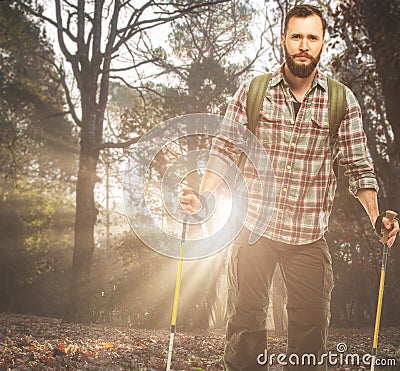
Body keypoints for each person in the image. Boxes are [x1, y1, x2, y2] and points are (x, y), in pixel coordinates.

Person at [179, 4, 399, 370]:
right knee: (246, 322)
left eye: (312, 37)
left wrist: (377, 218)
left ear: (322, 44)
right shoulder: (254, 91)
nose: (303, 44)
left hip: (309, 236)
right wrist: (203, 195)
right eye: (296, 36)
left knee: (310, 331)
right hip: (254, 231)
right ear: (283, 40)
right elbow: (224, 150)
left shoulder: (341, 101)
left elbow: (358, 167)